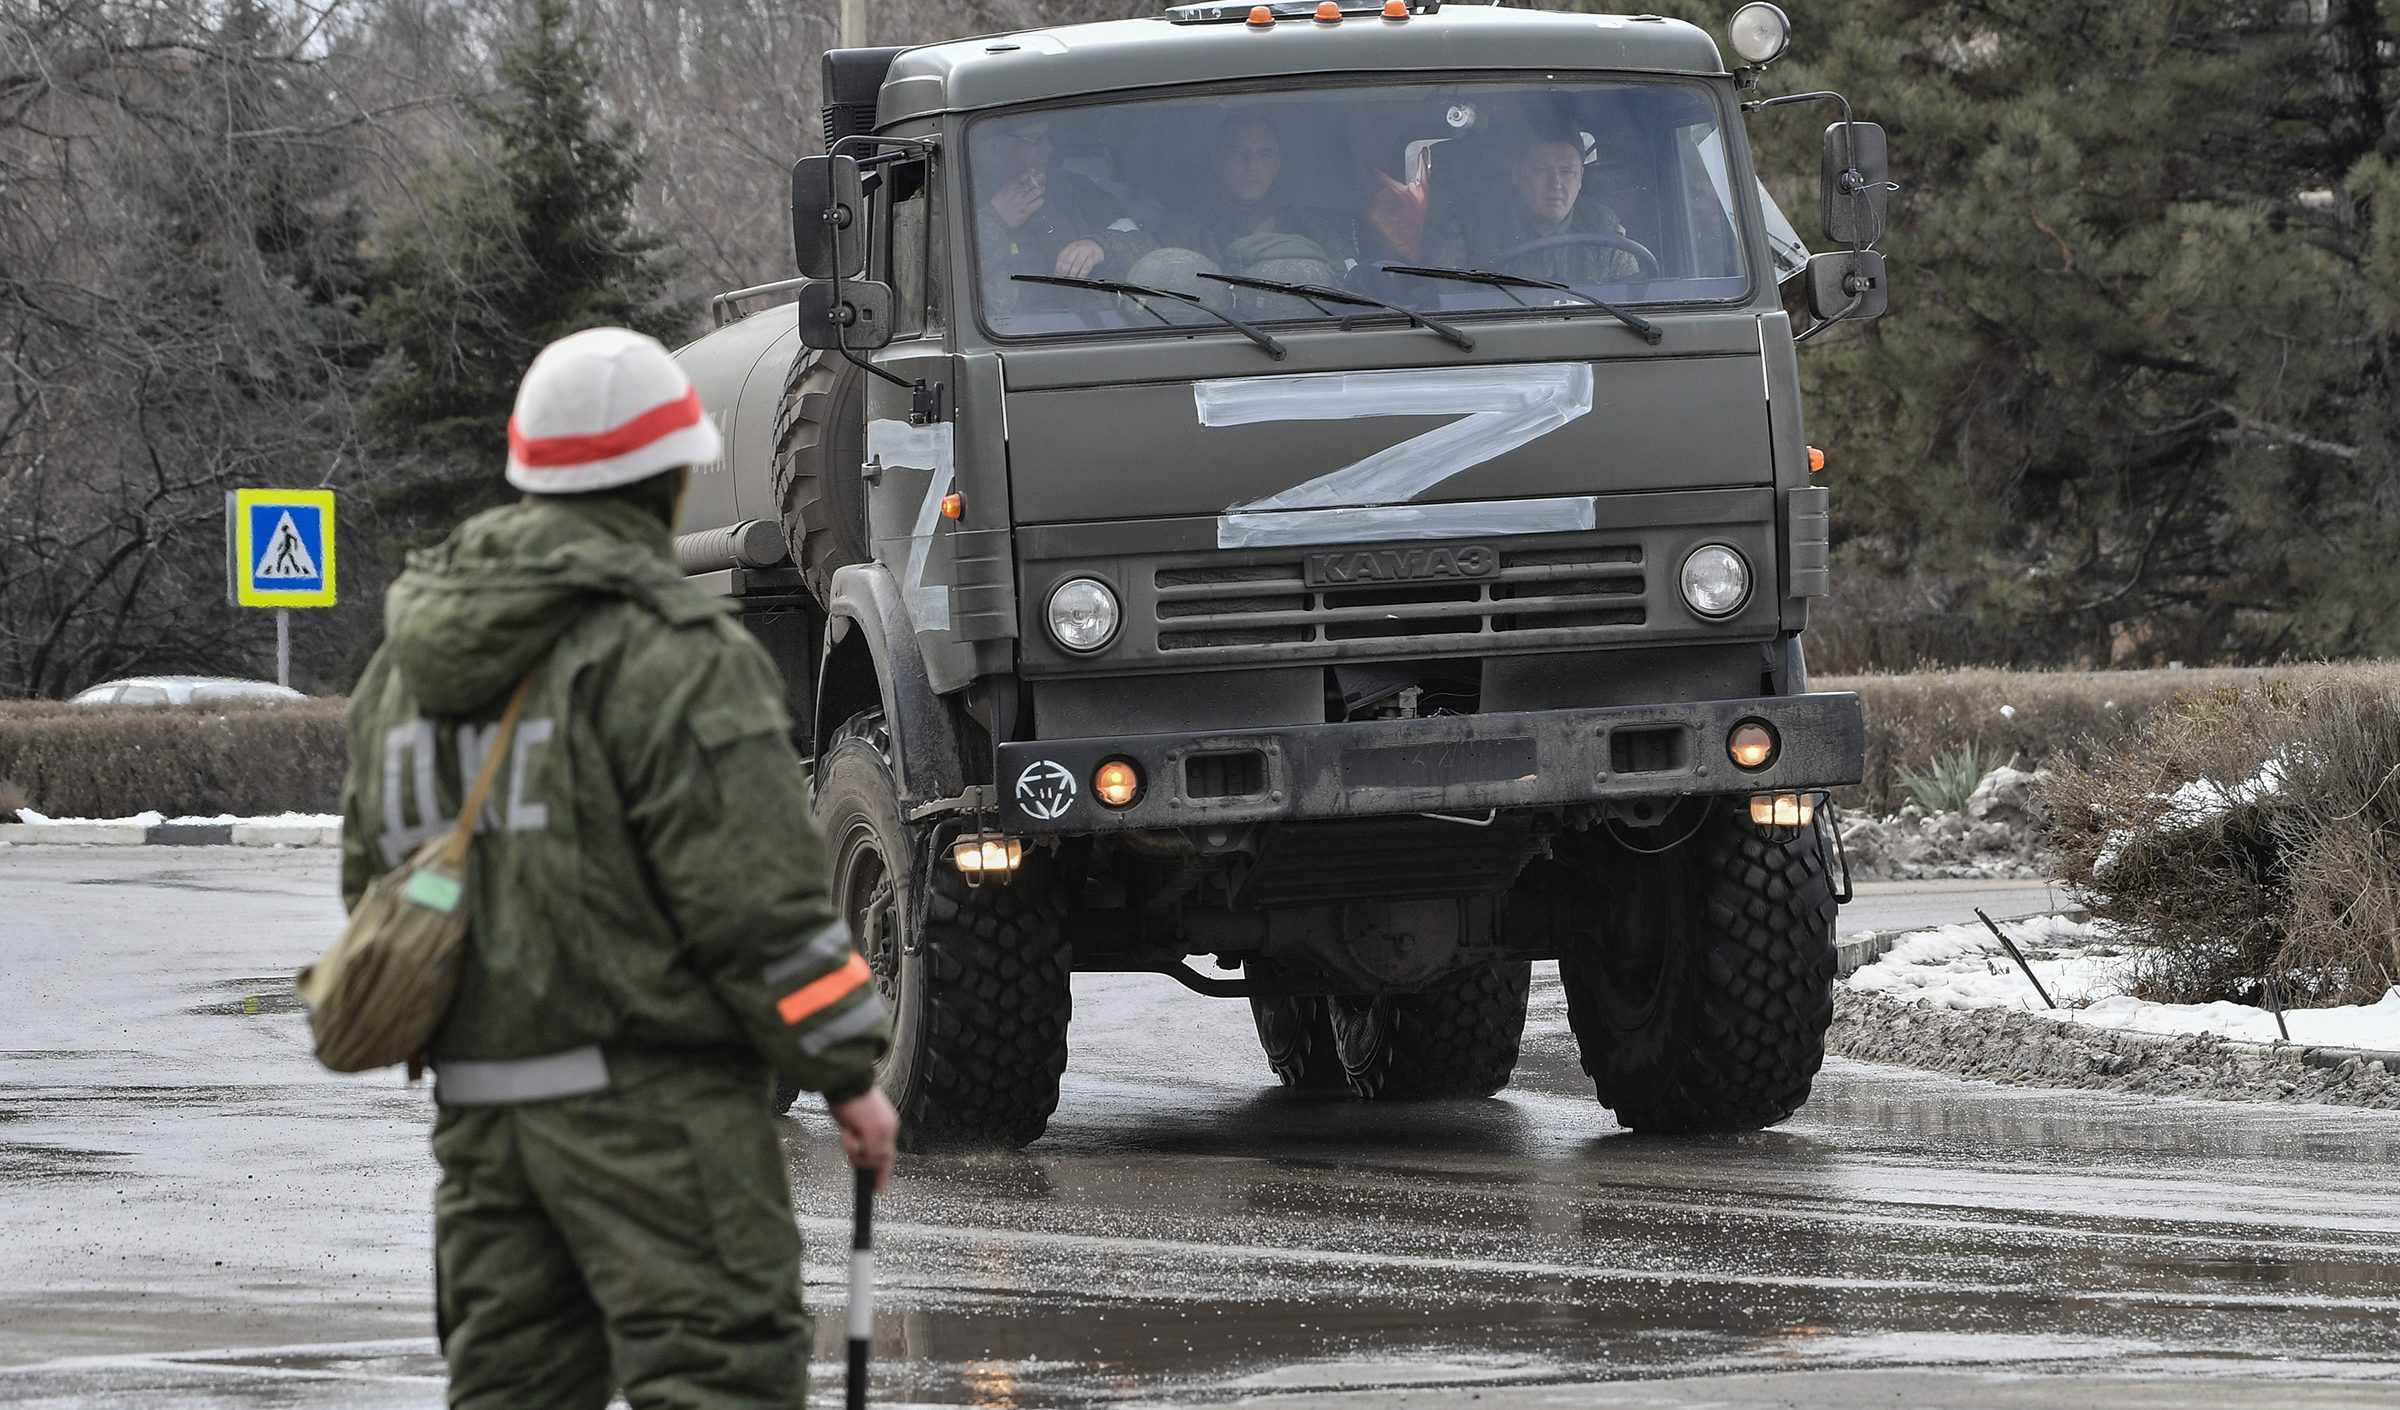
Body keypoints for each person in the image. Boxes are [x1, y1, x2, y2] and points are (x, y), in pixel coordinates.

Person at [338, 326, 898, 1410]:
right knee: (718, 1384)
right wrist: (847, 1072)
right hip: (664, 1126)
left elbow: (379, 892)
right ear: (660, 482)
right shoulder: (675, 660)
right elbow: (764, 909)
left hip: (488, 1141)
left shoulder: (405, 672)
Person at [1431, 127, 1642, 288]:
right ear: (1517, 174)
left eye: (1567, 172)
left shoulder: (1605, 229)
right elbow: (1449, 301)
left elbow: (1633, 301)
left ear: (1580, 179)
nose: (1556, 184)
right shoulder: (1473, 229)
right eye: (1541, 170)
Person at [977, 116, 1156, 303]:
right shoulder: (959, 202)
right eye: (1036, 140)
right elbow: (955, 287)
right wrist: (993, 220)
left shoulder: (1074, 191)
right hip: (1014, 330)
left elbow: (1148, 251)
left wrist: (1102, 246)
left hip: (1093, 327)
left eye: (1048, 138)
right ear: (993, 147)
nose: (1049, 149)